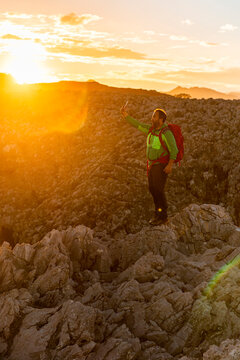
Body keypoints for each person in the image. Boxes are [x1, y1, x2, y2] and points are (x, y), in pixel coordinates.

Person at [120, 104, 178, 225]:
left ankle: (163, 216)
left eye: (154, 116)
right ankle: (157, 214)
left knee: (158, 189)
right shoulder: (151, 130)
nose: (151, 118)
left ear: (161, 119)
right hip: (152, 165)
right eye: (152, 116)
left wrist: (170, 165)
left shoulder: (166, 133)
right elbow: (138, 125)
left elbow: (174, 149)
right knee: (152, 189)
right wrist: (126, 116)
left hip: (161, 165)